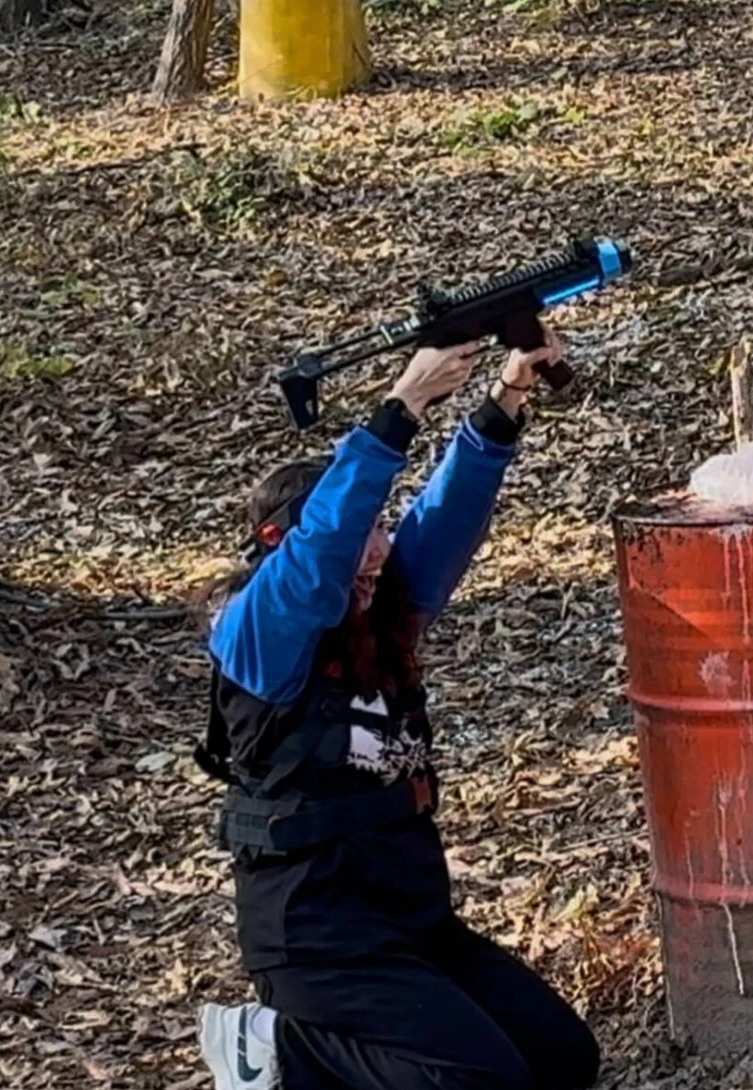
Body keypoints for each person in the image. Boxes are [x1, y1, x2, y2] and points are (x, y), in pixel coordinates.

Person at [194, 325, 601, 1090]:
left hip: (409, 920)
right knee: (484, 1084)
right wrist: (404, 402)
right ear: (287, 547)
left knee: (562, 1060)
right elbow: (321, 553)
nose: (378, 550)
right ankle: (281, 1053)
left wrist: (506, 395)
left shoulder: (382, 613)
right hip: (315, 941)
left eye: (381, 527)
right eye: (365, 530)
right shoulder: (259, 635)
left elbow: (444, 520)